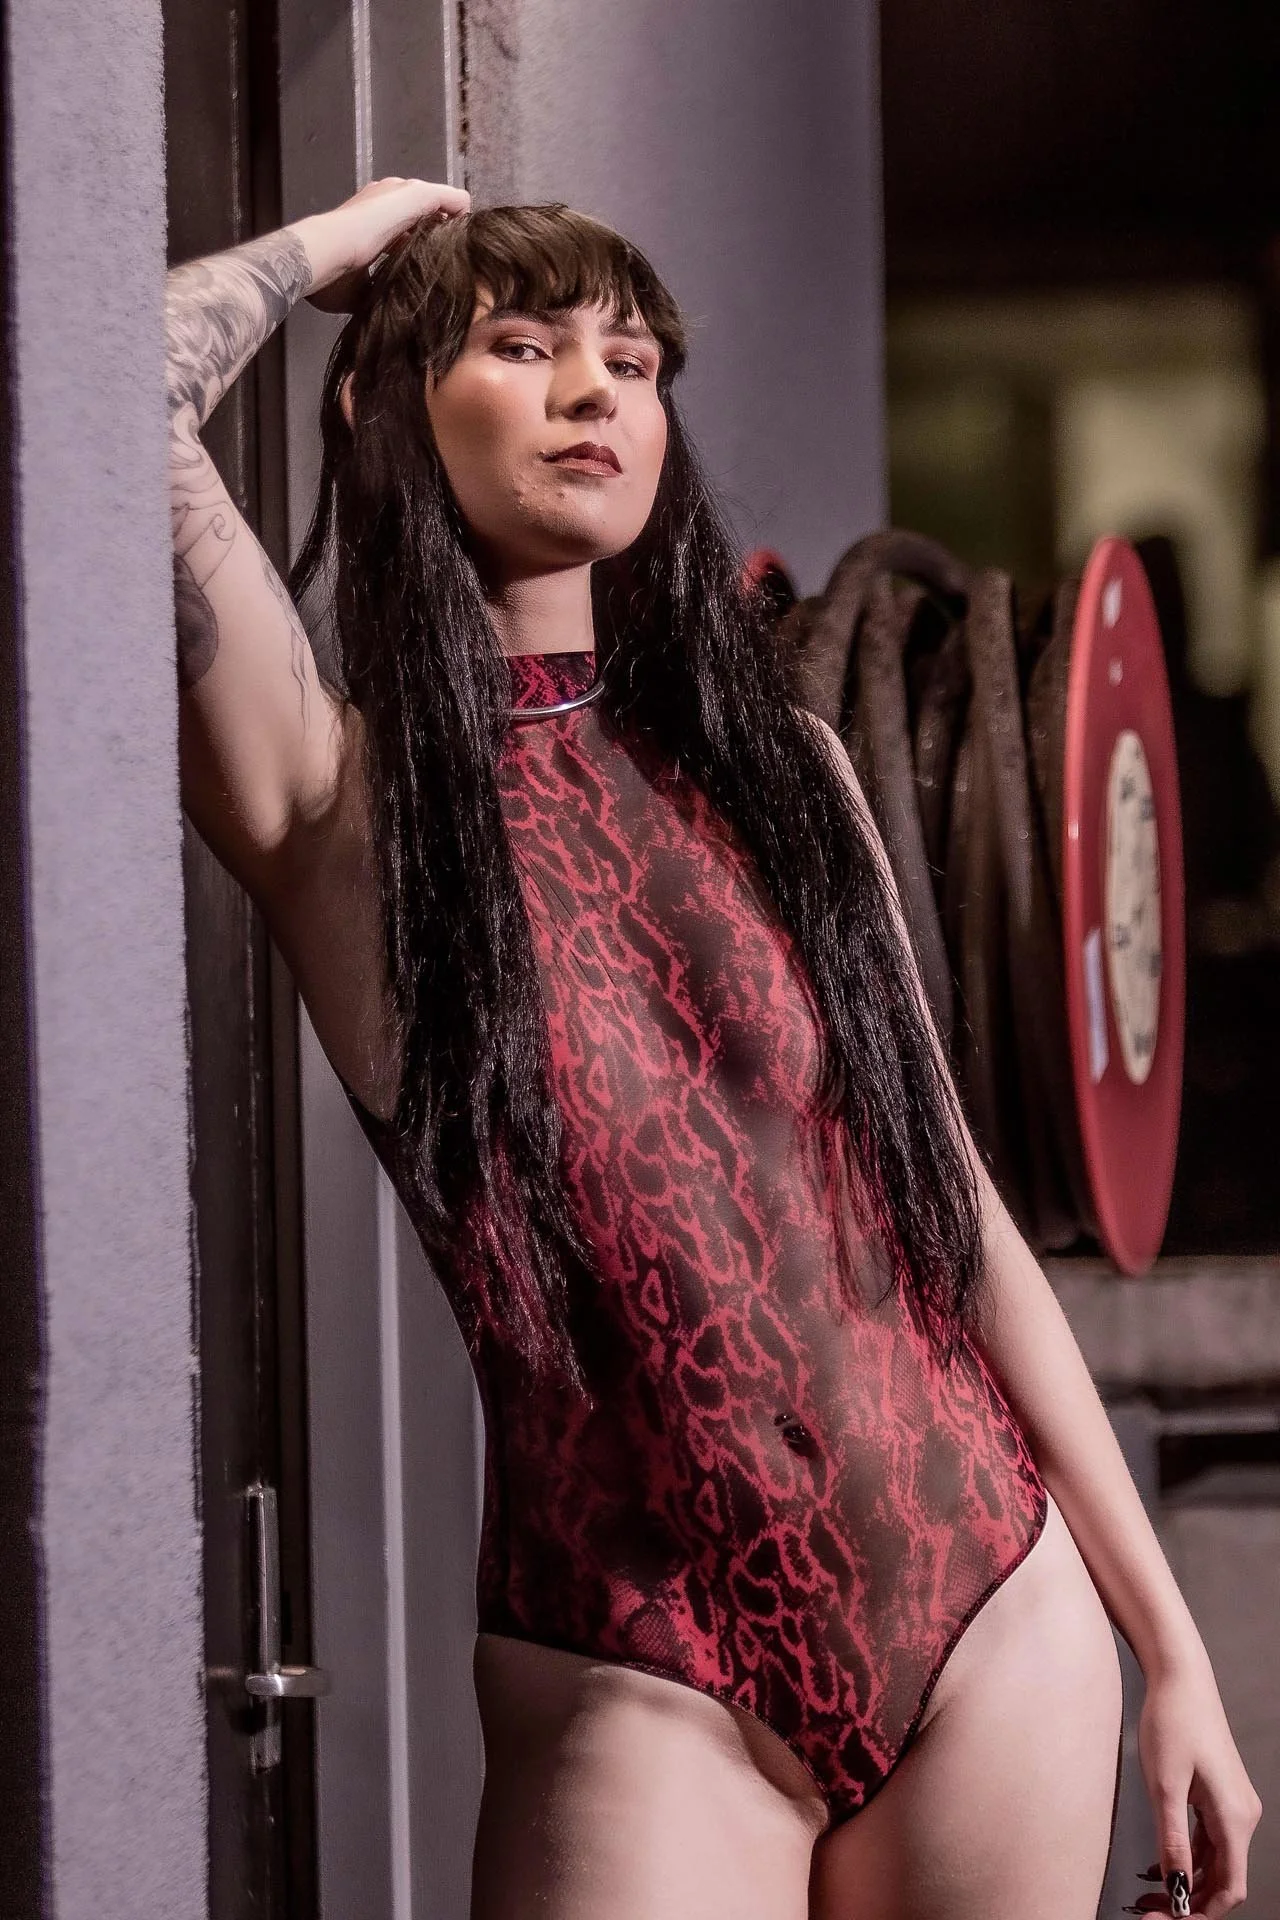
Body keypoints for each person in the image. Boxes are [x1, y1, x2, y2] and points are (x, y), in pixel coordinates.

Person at [164, 176, 1261, 1920]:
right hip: (638, 1680)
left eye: (632, 357)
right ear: (383, 405)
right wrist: (357, 236)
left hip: (991, 1609)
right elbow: (112, 382)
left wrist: (1172, 1652)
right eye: (522, 348)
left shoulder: (786, 778)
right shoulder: (337, 808)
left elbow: (951, 1215)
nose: (597, 392)